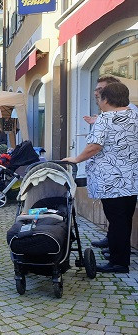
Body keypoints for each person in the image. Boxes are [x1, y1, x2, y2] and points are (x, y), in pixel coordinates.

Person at [62, 82, 137, 273]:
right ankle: (118, 254)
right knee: (125, 219)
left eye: (99, 98)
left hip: (112, 181)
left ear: (106, 99)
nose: (99, 102)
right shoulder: (134, 115)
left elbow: (95, 146)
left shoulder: (105, 119)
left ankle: (119, 263)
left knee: (117, 221)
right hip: (131, 179)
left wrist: (77, 158)